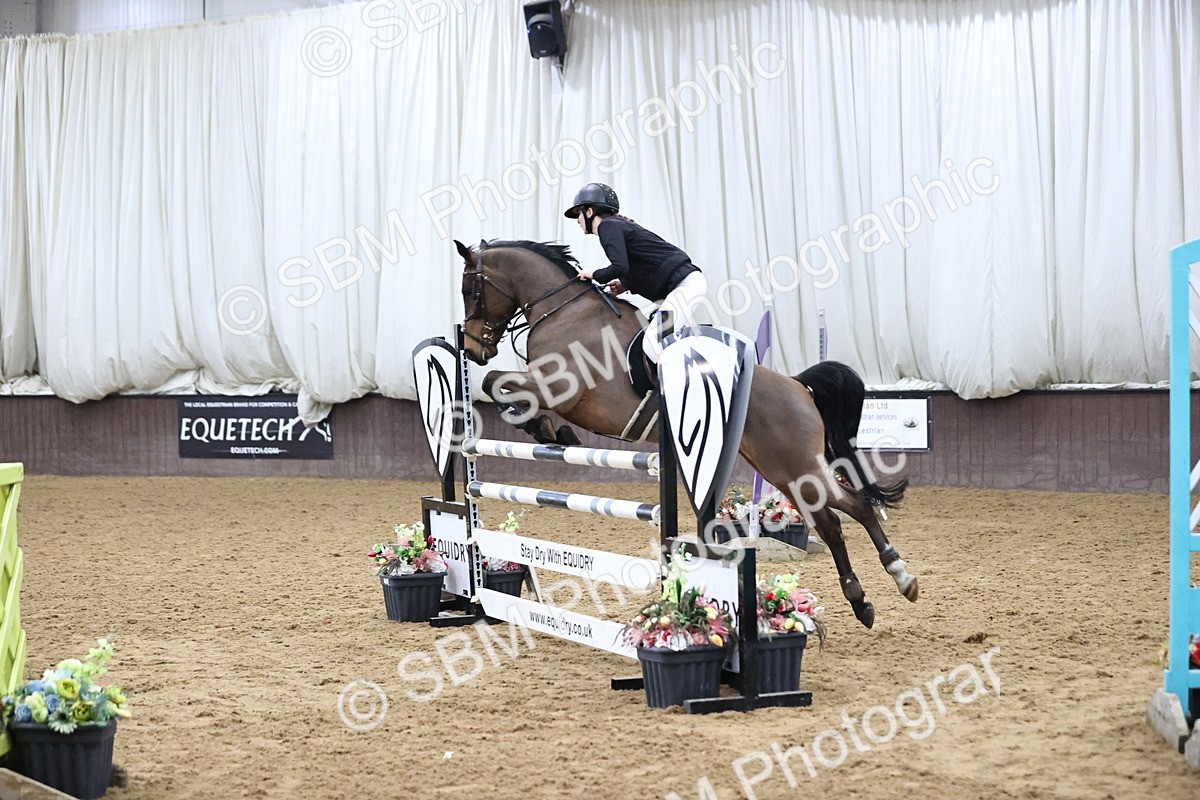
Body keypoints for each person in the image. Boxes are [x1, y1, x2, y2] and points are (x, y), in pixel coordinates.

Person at [565, 182, 708, 362]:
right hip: (685, 284)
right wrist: (626, 284)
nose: (578, 221)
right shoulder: (615, 225)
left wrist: (593, 274)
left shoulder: (607, 227)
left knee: (652, 343)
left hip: (686, 286)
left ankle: (676, 389)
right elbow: (643, 263)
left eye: (579, 214)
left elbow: (619, 267)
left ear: (590, 212)